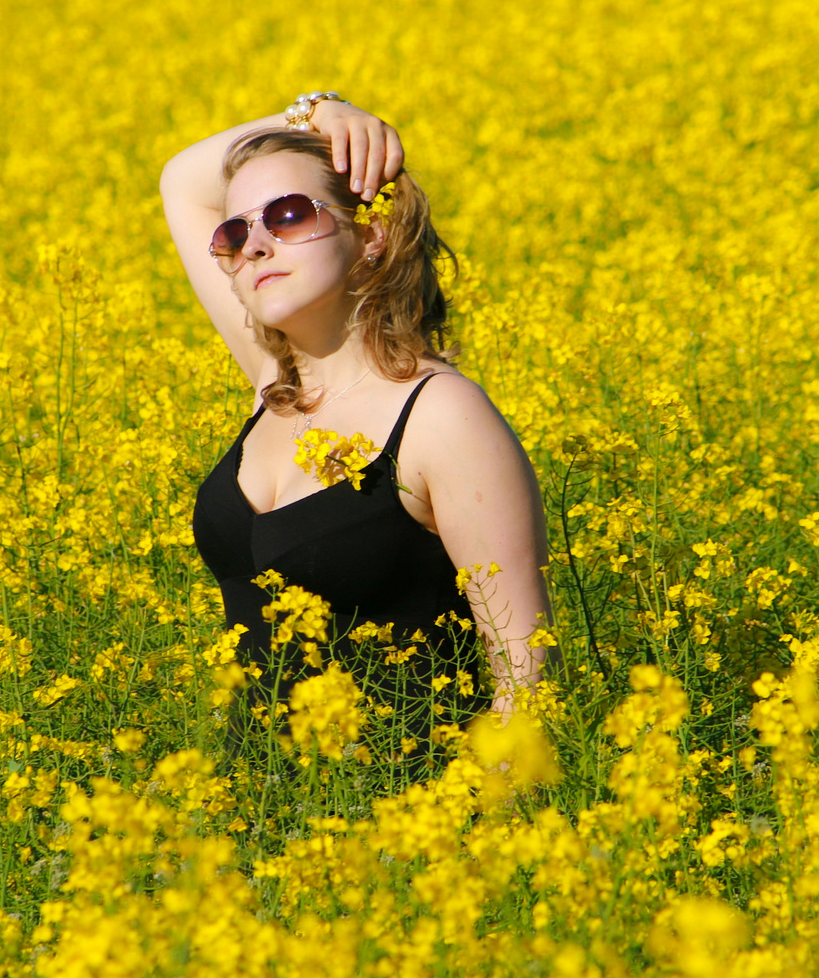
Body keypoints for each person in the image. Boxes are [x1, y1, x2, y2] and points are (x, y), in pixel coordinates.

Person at [161, 93, 550, 763]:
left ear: (371, 235)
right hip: (259, 824)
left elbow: (526, 677)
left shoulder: (440, 417)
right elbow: (182, 179)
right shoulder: (273, 386)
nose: (254, 245)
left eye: (288, 215)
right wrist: (314, 110)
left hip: (409, 826)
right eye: (234, 234)